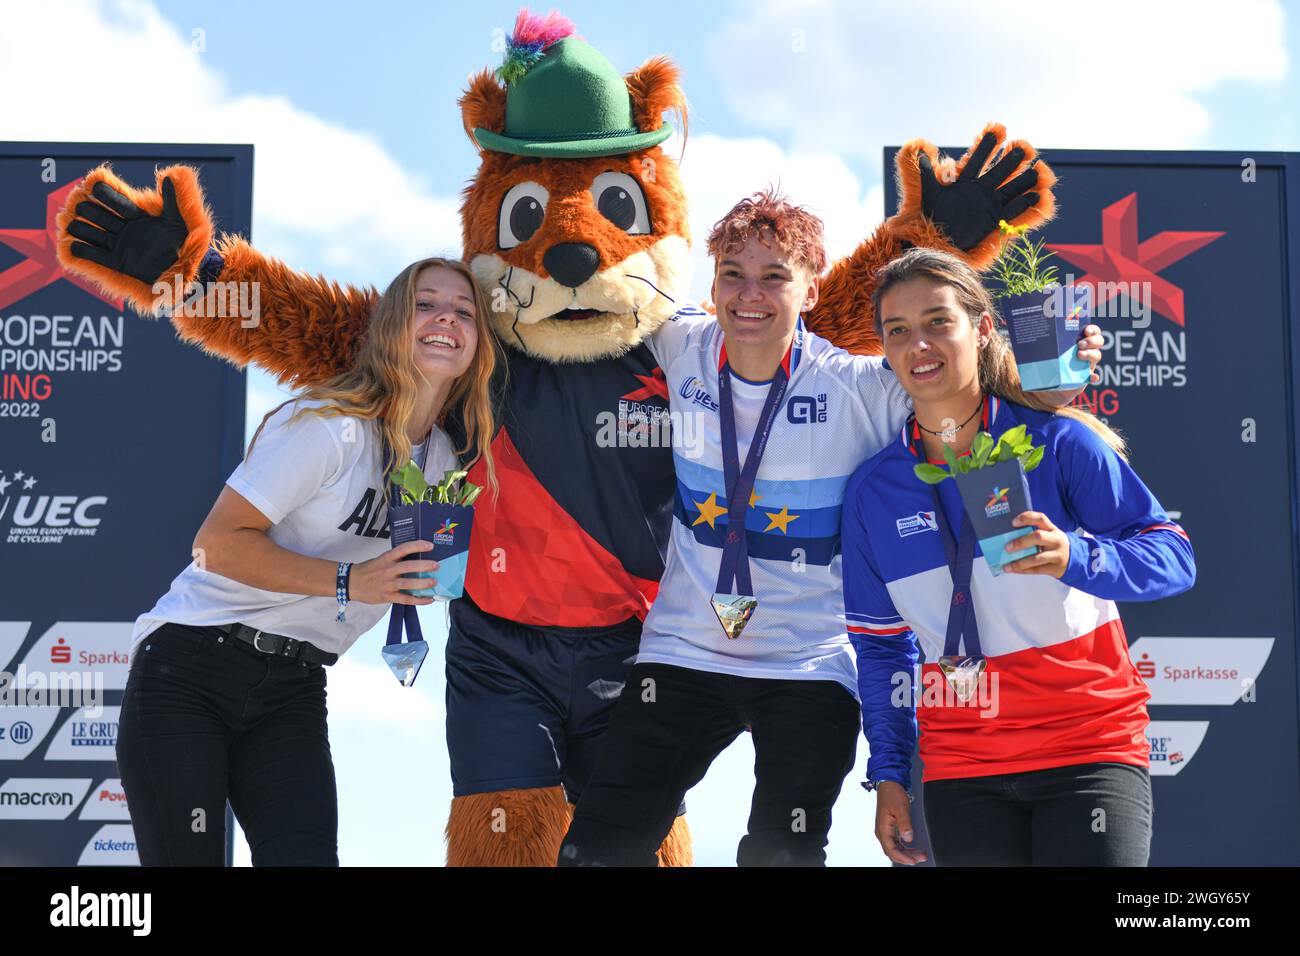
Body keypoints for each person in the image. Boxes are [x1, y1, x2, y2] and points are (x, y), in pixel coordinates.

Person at [557, 189, 1104, 866]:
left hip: (809, 665)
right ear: (712, 282)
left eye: (774, 277)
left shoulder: (857, 387)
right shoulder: (680, 343)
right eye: (732, 273)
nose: (749, 294)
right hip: (683, 653)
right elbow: (589, 298)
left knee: (781, 853)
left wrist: (1048, 382)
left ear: (813, 290)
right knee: (596, 848)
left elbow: (959, 388)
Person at [115, 257, 500, 866]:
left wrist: (420, 581)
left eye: (464, 311)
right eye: (426, 304)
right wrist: (353, 581)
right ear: (392, 324)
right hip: (191, 670)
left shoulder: (448, 461)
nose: (445, 318)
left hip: (294, 687)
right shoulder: (326, 425)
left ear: (480, 344)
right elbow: (217, 544)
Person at [842, 247, 1195, 867]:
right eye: (898, 331)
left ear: (981, 329)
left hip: (1087, 749)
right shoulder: (874, 491)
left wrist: (1076, 555)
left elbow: (1173, 557)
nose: (918, 344)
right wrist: (891, 771)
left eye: (937, 322)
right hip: (962, 766)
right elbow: (880, 646)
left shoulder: (1058, 439)